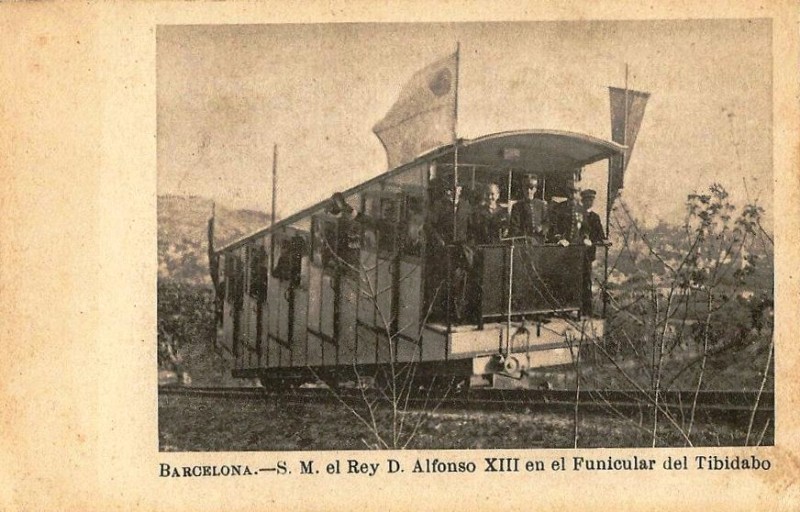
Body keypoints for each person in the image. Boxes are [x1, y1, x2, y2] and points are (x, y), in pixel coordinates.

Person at [579, 189, 607, 316]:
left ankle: (587, 310)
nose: (589, 202)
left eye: (591, 199)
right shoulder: (577, 214)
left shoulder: (595, 217)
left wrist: (594, 240)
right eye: (587, 199)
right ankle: (577, 308)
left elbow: (600, 234)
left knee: (587, 280)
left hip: (588, 254)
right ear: (582, 201)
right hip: (576, 253)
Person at [509, 175, 548, 243]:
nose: (528, 190)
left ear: (535, 189)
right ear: (522, 188)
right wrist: (525, 237)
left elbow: (547, 222)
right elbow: (514, 227)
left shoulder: (541, 205)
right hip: (524, 242)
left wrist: (542, 228)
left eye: (531, 188)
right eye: (525, 188)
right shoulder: (517, 206)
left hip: (539, 241)